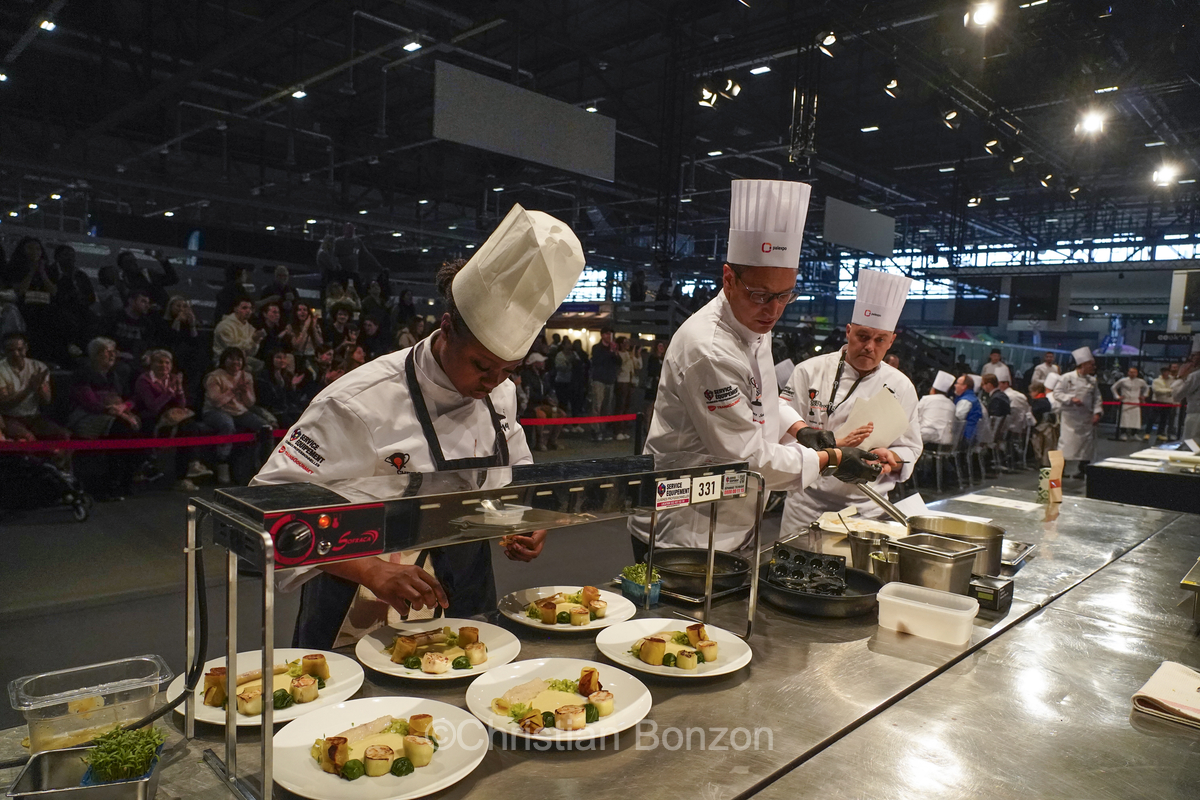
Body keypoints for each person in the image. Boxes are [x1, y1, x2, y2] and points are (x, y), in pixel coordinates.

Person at [252, 204, 586, 649]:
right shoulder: (358, 401)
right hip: (365, 593)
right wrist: (370, 568)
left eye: (508, 370)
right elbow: (271, 507)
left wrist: (522, 517)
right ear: (446, 328)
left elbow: (515, 466)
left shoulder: (497, 389)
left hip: (466, 586)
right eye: (482, 365)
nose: (491, 383)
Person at [630, 179, 880, 555]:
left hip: (734, 518)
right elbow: (748, 460)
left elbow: (759, 397)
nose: (773, 311)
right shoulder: (709, 350)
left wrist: (800, 429)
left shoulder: (751, 322)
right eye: (761, 295)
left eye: (785, 296)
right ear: (728, 279)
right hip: (685, 529)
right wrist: (833, 459)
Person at [779, 267, 922, 533]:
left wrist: (892, 457)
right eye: (863, 336)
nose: (870, 346)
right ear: (848, 331)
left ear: (892, 341)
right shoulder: (808, 371)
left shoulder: (902, 386)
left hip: (868, 508)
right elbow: (783, 435)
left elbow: (910, 449)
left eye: (880, 340)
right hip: (807, 506)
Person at [67, 337, 141, 500]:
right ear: (96, 355)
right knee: (121, 428)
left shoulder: (115, 374)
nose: (113, 355)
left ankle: (123, 480)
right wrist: (116, 411)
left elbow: (131, 399)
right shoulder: (83, 372)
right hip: (88, 415)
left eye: (114, 351)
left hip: (114, 413)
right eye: (108, 351)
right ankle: (109, 484)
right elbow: (90, 403)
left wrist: (123, 408)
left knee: (133, 427)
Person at [133, 349, 212, 490]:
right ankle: (186, 468)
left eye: (167, 363)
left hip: (173, 417)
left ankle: (186, 472)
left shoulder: (172, 379)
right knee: (186, 427)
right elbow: (153, 406)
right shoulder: (144, 380)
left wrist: (179, 389)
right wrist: (169, 392)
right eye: (160, 362)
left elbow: (181, 405)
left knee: (190, 426)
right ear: (152, 364)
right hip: (151, 418)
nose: (164, 365)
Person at [0, 332, 70, 464]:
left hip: (34, 417)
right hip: (9, 418)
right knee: (28, 439)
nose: (16, 354)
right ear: (4, 351)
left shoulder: (38, 367)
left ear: (26, 348)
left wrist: (39, 388)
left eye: (19, 349)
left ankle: (62, 473)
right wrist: (28, 389)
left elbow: (46, 400)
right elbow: (4, 404)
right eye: (10, 350)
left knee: (63, 435)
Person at [203, 347, 270, 484]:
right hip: (216, 411)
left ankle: (265, 464)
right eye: (231, 358)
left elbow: (250, 403)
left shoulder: (246, 376)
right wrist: (233, 391)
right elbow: (216, 402)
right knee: (227, 425)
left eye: (238, 359)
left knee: (264, 427)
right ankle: (222, 463)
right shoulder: (214, 376)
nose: (235, 362)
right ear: (224, 360)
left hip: (239, 411)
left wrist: (245, 392)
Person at [1052, 346, 1103, 479]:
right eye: (1091, 364)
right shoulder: (1066, 377)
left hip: (1086, 418)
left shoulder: (1092, 381)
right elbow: (1057, 393)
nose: (1093, 367)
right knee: (1064, 445)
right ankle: (1058, 471)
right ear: (1083, 364)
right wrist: (1070, 399)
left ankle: (1082, 470)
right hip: (1070, 418)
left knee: (1086, 447)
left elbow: (1097, 398)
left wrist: (1097, 413)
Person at [158, 296, 206, 407]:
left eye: (184, 306)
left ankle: (192, 402)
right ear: (170, 307)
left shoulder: (189, 324)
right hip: (171, 353)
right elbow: (171, 340)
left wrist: (192, 324)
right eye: (178, 306)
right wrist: (177, 321)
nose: (181, 309)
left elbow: (196, 342)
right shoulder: (163, 322)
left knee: (197, 358)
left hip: (188, 358)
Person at [104, 290, 157, 369]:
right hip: (114, 355)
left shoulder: (147, 324)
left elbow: (149, 344)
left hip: (137, 359)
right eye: (143, 301)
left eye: (148, 303)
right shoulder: (115, 317)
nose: (147, 305)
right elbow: (104, 337)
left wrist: (147, 355)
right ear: (131, 301)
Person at [255, 351, 308, 429]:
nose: (282, 360)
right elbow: (269, 399)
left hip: (287, 408)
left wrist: (292, 386)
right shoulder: (263, 376)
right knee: (288, 422)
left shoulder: (287, 375)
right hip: (272, 409)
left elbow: (292, 398)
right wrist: (281, 386)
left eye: (284, 358)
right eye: (278, 357)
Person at [212, 297, 265, 370]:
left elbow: (252, 353)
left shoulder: (250, 328)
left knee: (263, 366)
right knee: (249, 369)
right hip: (224, 359)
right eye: (244, 308)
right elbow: (233, 349)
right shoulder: (224, 326)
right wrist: (253, 340)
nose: (248, 311)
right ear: (236, 309)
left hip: (243, 358)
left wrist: (256, 342)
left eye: (250, 308)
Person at [590, 327, 619, 441]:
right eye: (607, 334)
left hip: (609, 380)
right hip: (599, 379)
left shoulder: (613, 348)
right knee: (597, 405)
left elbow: (618, 362)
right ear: (602, 335)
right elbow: (598, 361)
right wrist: (610, 352)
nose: (609, 336)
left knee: (607, 407)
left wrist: (615, 352)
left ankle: (603, 429)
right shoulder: (596, 348)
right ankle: (595, 430)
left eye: (611, 334)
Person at [332, 222, 381, 287]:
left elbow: (367, 254)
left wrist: (378, 265)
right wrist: (337, 265)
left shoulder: (357, 241)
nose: (350, 232)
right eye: (348, 230)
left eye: (352, 230)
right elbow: (334, 255)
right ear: (344, 231)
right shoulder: (338, 242)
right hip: (342, 272)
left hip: (354, 271)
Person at [917, 370, 957, 446]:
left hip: (927, 440)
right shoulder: (952, 405)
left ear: (933, 390)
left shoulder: (926, 399)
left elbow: (915, 417)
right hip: (946, 443)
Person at [614, 336, 643, 441]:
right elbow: (621, 363)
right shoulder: (619, 354)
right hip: (622, 381)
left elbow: (638, 365)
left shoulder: (628, 354)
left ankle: (624, 429)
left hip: (630, 382)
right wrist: (630, 355)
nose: (628, 344)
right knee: (620, 406)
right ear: (620, 344)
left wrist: (637, 354)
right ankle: (618, 430)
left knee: (627, 406)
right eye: (625, 342)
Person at [1172, 336, 1200, 442]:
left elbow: (1177, 395)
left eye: (1194, 356)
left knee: (1191, 445)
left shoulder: (1196, 376)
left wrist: (1181, 377)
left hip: (1196, 415)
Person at [1110, 366, 1148, 441]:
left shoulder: (1141, 381)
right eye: (1131, 372)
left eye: (1134, 372)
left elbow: (1147, 388)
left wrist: (1144, 396)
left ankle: (1134, 434)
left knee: (1135, 418)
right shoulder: (1123, 380)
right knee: (1124, 418)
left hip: (1135, 401)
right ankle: (1123, 433)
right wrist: (1117, 397)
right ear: (1128, 373)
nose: (1132, 374)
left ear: (1137, 373)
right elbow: (1113, 387)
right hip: (1125, 401)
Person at [1147, 365, 1176, 441]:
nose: (1166, 373)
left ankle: (1160, 433)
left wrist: (1165, 391)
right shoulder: (1156, 380)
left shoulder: (1172, 380)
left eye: (1168, 372)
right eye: (1165, 371)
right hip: (1157, 401)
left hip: (1168, 402)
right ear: (1162, 372)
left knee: (1164, 419)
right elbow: (1157, 391)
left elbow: (1175, 389)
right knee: (1152, 418)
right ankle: (1147, 433)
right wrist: (1169, 391)